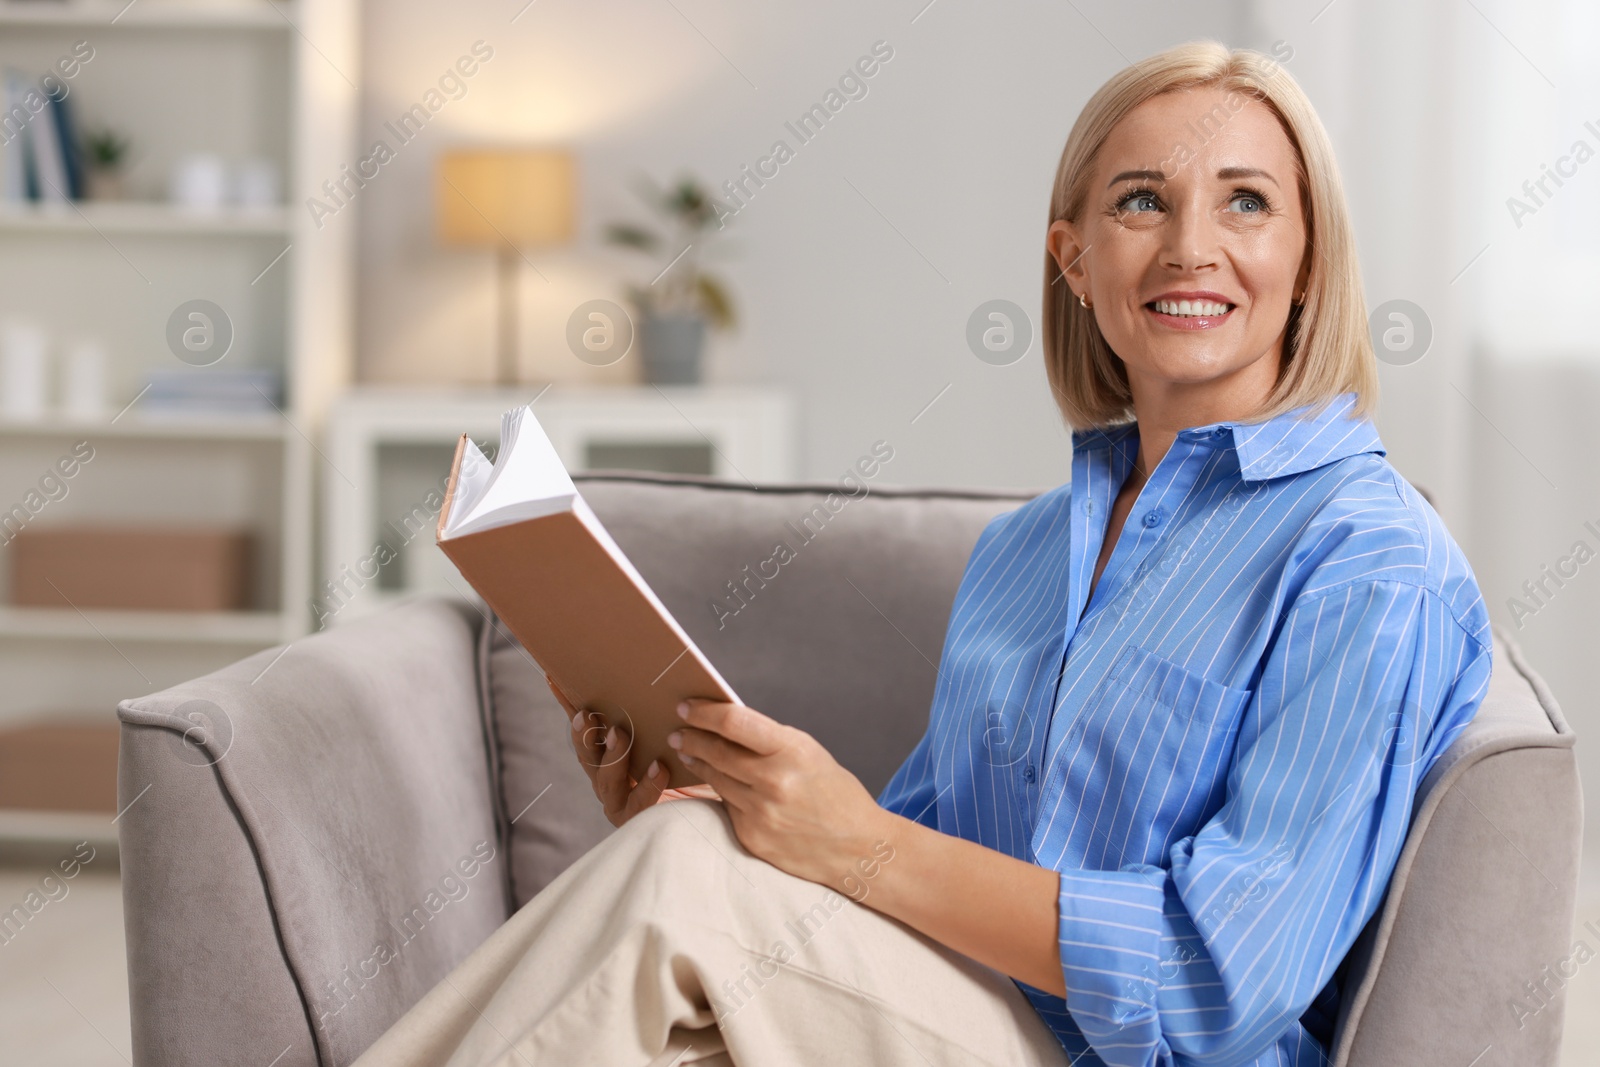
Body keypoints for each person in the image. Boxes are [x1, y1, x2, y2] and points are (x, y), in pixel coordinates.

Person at [354, 39, 1491, 1067]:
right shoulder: (1021, 553)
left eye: (1246, 203)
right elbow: (889, 873)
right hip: (943, 1017)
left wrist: (843, 846)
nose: (1191, 246)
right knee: (685, 879)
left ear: (1308, 257)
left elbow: (1214, 978)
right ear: (1074, 258)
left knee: (685, 887)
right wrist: (726, 816)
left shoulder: (1371, 560)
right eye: (1141, 201)